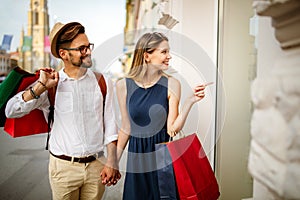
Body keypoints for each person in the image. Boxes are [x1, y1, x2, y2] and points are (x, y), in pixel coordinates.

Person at [5, 22, 120, 200]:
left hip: (97, 167)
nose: (88, 52)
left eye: (88, 46)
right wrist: (41, 87)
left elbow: (111, 125)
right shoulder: (51, 85)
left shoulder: (103, 82)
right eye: (81, 48)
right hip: (64, 169)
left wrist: (112, 161)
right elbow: (11, 110)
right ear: (63, 54)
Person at [115, 32, 207, 199]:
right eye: (164, 52)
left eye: (168, 52)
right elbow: (126, 127)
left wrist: (189, 102)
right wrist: (113, 162)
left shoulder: (172, 84)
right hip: (136, 160)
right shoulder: (123, 86)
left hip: (162, 160)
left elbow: (172, 129)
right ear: (147, 56)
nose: (169, 56)